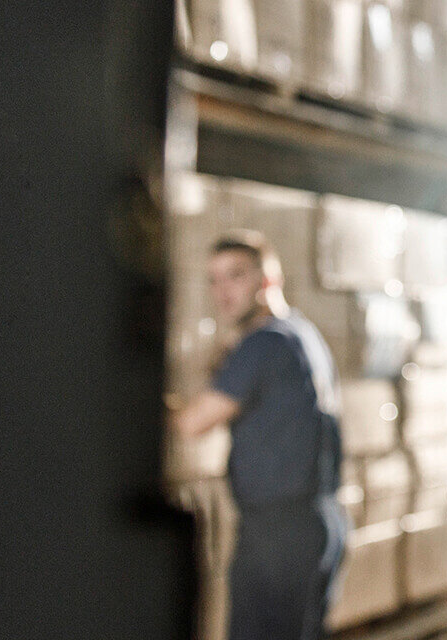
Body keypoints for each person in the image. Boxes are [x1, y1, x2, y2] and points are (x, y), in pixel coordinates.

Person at [173, 231, 347, 640]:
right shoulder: (301, 333)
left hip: (278, 534)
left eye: (235, 276)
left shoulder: (264, 343)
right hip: (317, 522)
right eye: (214, 280)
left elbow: (193, 423)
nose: (222, 291)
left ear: (268, 279)